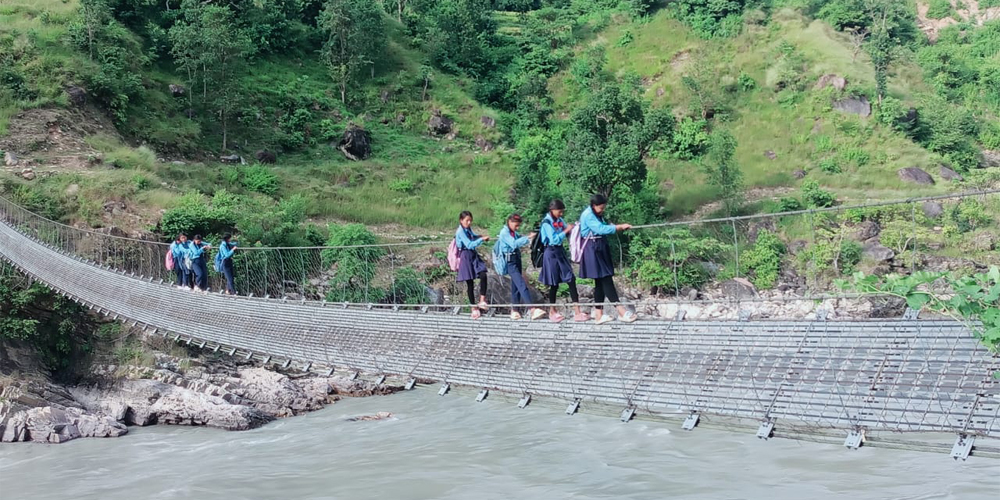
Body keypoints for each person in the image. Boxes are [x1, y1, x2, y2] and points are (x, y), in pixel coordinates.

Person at [579, 194, 637, 324]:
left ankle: (598, 315)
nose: (602, 210)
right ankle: (621, 311)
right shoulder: (588, 215)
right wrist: (618, 227)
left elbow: (603, 226)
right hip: (593, 249)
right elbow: (599, 229)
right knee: (606, 279)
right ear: (594, 206)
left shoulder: (595, 214)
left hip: (598, 248)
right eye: (601, 208)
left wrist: (614, 226)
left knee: (599, 282)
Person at [537, 199, 587, 323]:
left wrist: (573, 228)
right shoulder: (546, 223)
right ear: (553, 210)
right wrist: (565, 231)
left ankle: (577, 311)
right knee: (554, 284)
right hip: (551, 253)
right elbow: (553, 240)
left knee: (571, 279)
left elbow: (567, 229)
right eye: (560, 212)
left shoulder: (559, 221)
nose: (561, 214)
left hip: (560, 252)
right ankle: (552, 311)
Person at [495, 214, 539, 320]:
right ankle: (532, 309)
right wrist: (528, 237)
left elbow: (520, 238)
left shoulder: (513, 233)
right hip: (510, 262)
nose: (517, 227)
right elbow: (514, 244)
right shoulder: (504, 233)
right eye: (516, 225)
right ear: (510, 222)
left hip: (516, 260)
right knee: (521, 284)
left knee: (515, 287)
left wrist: (531, 236)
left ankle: (514, 310)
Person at [455, 211, 489, 319]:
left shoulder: (467, 229)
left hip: (472, 254)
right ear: (461, 221)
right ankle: (473, 308)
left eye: (470, 220)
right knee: (470, 282)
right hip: (465, 255)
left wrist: (479, 236)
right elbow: (469, 244)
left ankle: (482, 301)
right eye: (467, 221)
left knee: (483, 273)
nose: (469, 223)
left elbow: (472, 236)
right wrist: (481, 240)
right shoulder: (460, 231)